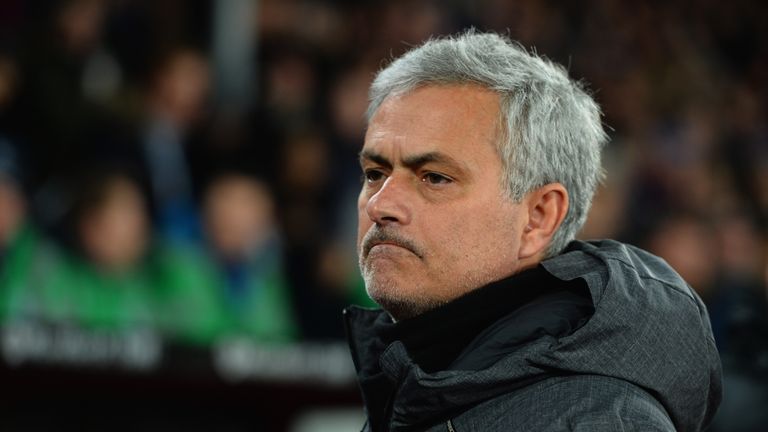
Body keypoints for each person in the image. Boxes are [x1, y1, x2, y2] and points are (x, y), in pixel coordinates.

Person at [343, 31, 722, 432]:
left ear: (539, 217)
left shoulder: (599, 421)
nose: (380, 204)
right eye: (375, 173)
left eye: (434, 178)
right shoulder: (418, 377)